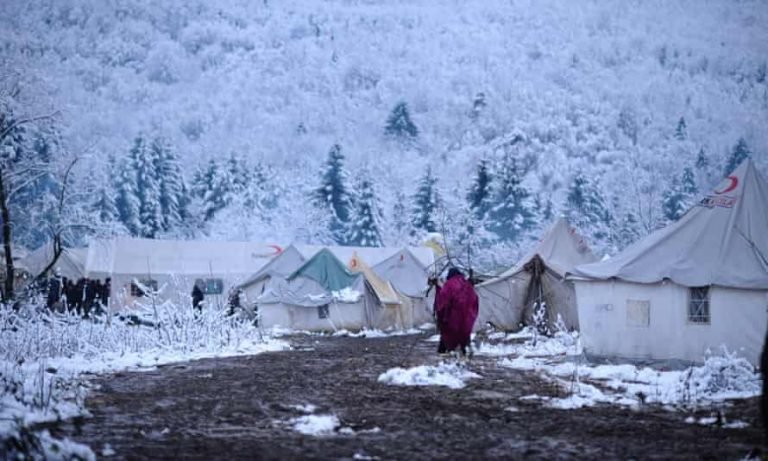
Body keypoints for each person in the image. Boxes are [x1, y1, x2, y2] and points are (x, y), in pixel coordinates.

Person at [434, 267, 479, 357]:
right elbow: (475, 301)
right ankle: (465, 353)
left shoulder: (449, 285)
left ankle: (443, 355)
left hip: (452, 320)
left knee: (447, 337)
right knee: (464, 337)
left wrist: (440, 318)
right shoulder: (467, 285)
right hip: (467, 319)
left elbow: (442, 303)